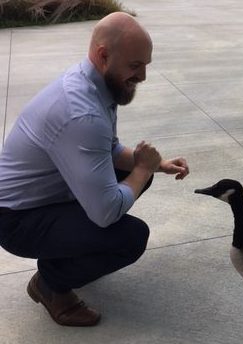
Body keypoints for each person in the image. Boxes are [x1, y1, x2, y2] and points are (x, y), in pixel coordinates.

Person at [0, 12, 189, 326]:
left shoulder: (94, 82)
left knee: (142, 178)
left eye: (145, 65)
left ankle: (68, 253)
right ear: (104, 56)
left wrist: (156, 165)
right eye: (134, 66)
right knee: (130, 237)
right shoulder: (81, 113)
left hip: (46, 196)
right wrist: (142, 169)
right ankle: (51, 283)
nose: (142, 76)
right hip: (16, 218)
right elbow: (105, 212)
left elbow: (110, 150)